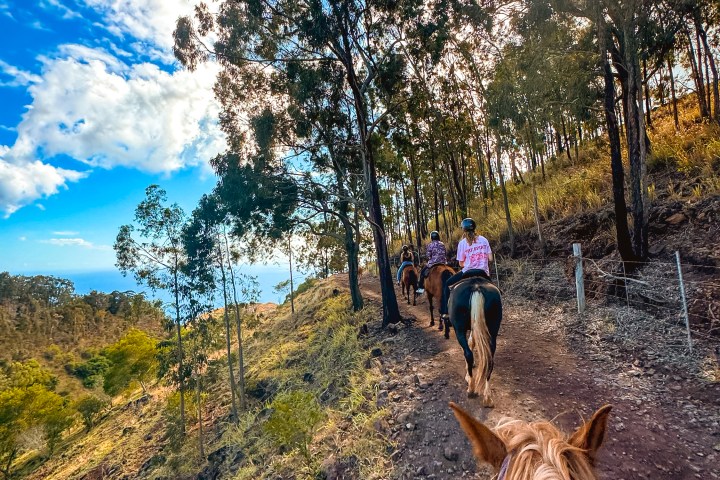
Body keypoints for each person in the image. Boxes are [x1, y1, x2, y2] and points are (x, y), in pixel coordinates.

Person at [439, 218, 493, 322]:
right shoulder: (484, 239)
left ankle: (446, 313)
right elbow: (490, 258)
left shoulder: (462, 243)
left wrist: (469, 263)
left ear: (463, 229)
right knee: (495, 291)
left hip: (467, 271)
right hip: (483, 272)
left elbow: (461, 263)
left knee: (447, 284)